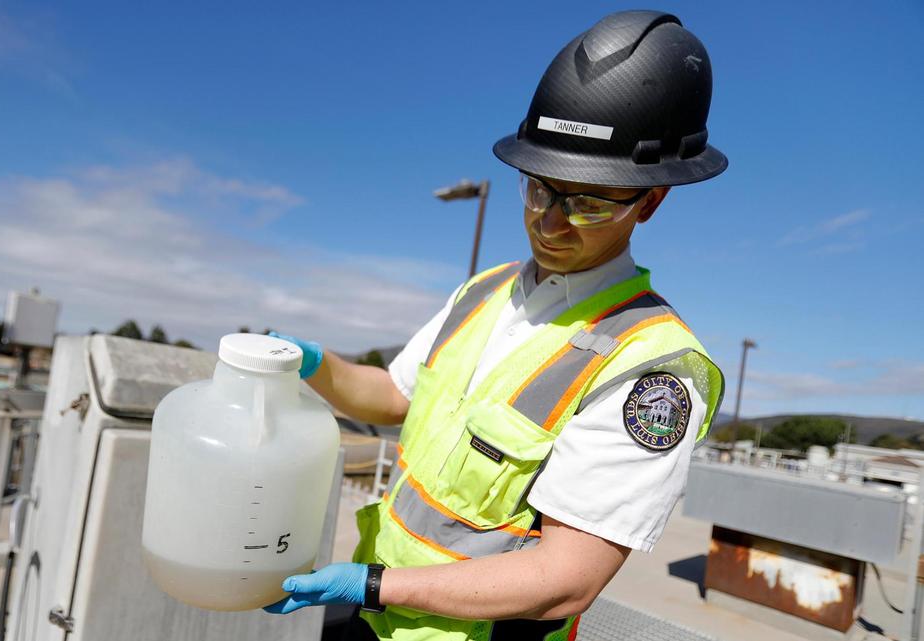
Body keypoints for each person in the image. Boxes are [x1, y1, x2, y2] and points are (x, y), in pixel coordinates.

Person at [264, 10, 727, 641]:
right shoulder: (486, 291)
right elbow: (394, 396)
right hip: (375, 618)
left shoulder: (653, 370)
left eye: (588, 203)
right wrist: (314, 364)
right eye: (539, 189)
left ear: (649, 201)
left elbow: (568, 577)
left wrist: (371, 584)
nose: (551, 222)